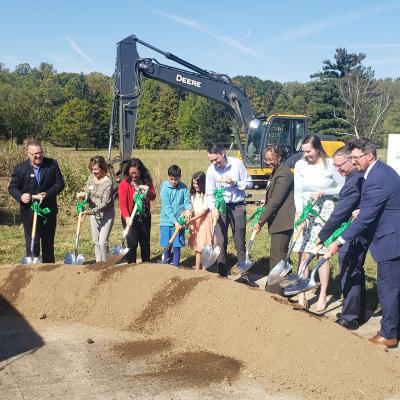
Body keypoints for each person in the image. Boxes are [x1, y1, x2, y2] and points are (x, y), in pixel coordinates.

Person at [327, 139, 400, 348]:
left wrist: (338, 242)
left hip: (391, 239)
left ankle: (388, 335)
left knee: (388, 290)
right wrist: (364, 210)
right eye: (352, 158)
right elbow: (378, 205)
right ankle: (394, 327)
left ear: (369, 156)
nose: (354, 162)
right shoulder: (380, 172)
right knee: (392, 288)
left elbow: (366, 219)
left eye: (356, 158)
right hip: (392, 233)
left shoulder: (376, 178)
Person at [316, 145, 370, 330]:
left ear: (351, 161)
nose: (337, 169)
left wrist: (322, 235)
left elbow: (340, 213)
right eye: (335, 165)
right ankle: (357, 311)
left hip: (355, 233)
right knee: (354, 268)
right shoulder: (356, 177)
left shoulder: (355, 180)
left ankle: (350, 317)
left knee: (349, 268)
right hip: (357, 229)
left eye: (339, 165)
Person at [293, 134, 344, 310]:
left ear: (317, 149)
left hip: (325, 211)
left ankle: (322, 294)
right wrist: (300, 212)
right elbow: (298, 191)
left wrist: (324, 191)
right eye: (304, 151)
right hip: (306, 212)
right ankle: (302, 293)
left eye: (309, 151)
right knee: (304, 253)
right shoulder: (300, 165)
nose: (306, 155)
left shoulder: (330, 164)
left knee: (322, 254)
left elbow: (342, 187)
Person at [205, 143, 255, 286]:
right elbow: (209, 193)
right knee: (220, 242)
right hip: (220, 208)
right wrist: (213, 208)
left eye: (216, 159)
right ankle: (222, 275)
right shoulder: (211, 170)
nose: (214, 163)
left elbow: (250, 183)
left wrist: (235, 183)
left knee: (240, 242)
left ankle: (244, 275)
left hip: (237, 206)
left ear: (223, 153)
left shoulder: (237, 164)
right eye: (211, 160)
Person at [8, 139, 65, 263]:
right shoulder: (20, 169)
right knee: (33, 242)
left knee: (48, 242)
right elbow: (12, 188)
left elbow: (60, 184)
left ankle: (49, 270)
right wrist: (21, 196)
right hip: (29, 212)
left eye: (40, 152)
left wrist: (47, 194)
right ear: (28, 153)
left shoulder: (52, 164)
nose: (38, 156)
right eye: (35, 154)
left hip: (48, 210)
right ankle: (33, 270)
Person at [253, 145, 295, 294]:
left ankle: (274, 291)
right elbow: (272, 197)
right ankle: (287, 288)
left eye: (271, 159)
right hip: (278, 220)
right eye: (266, 159)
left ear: (279, 157)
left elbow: (276, 201)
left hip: (283, 221)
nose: (268, 162)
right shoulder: (277, 171)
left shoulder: (284, 174)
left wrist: (260, 222)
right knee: (279, 255)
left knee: (278, 256)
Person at [118, 158, 156, 264]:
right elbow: (122, 205)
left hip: (144, 216)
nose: (134, 175)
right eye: (132, 173)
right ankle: (131, 266)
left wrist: (148, 191)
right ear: (128, 172)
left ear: (141, 171)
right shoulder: (124, 184)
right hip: (129, 217)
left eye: (137, 173)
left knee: (145, 243)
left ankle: (146, 265)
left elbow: (153, 197)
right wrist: (127, 218)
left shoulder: (146, 181)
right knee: (132, 244)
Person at [77, 156, 114, 262]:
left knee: (102, 242)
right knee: (96, 242)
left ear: (103, 168)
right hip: (93, 214)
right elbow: (87, 191)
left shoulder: (108, 183)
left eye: (96, 169)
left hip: (106, 214)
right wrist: (83, 195)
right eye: (92, 169)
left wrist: (89, 211)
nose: (94, 172)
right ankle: (99, 264)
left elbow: (105, 203)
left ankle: (106, 264)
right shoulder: (91, 178)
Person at [160, 165, 192, 267]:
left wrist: (188, 210)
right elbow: (167, 208)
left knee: (177, 246)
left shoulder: (184, 188)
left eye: (176, 179)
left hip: (180, 222)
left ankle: (176, 266)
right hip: (167, 222)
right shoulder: (164, 188)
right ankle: (165, 265)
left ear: (180, 177)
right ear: (168, 177)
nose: (173, 182)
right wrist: (175, 222)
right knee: (167, 246)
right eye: (171, 179)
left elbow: (187, 202)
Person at [188, 171, 212, 270]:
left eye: (197, 184)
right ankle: (197, 267)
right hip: (195, 221)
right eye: (194, 183)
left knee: (204, 245)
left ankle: (204, 269)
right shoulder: (193, 194)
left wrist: (193, 218)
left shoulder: (206, 195)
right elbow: (191, 207)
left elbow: (203, 211)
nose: (195, 186)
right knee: (197, 246)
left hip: (204, 221)